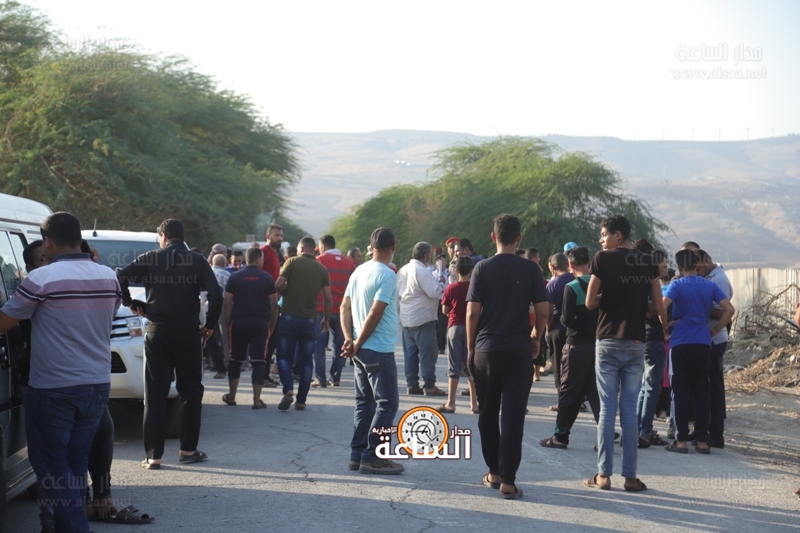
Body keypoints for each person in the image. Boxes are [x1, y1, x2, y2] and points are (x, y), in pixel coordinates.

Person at [0, 212, 121, 532]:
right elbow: (108, 316)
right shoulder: (108, 277)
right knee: (75, 461)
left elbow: (5, 322)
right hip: (96, 384)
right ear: (79, 238)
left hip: (54, 387)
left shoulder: (42, 278)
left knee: (52, 465)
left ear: (48, 242)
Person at [117, 218, 222, 468]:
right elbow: (216, 294)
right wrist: (209, 325)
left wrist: (131, 303)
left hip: (158, 333)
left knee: (155, 394)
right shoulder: (196, 260)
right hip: (188, 334)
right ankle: (187, 451)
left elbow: (120, 275)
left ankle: (154, 456)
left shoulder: (151, 258)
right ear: (182, 237)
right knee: (190, 392)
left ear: (163, 235)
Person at [467, 214, 549, 500]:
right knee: (513, 415)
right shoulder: (531, 269)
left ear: (493, 237)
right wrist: (536, 337)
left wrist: (471, 347)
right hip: (518, 349)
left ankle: (494, 471)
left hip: (486, 349)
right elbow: (543, 310)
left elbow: (472, 312)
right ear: (519, 238)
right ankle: (509, 481)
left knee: (488, 412)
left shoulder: (482, 268)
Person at [584, 214, 665, 492]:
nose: (601, 240)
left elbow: (590, 302)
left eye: (604, 234)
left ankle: (603, 475)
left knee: (607, 407)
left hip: (607, 340)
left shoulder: (602, 259)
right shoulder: (648, 261)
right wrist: (637, 305)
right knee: (629, 409)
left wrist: (611, 298)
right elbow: (658, 308)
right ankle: (630, 477)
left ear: (618, 235)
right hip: (636, 342)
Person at [341, 227, 403, 474]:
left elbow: (344, 307)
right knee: (388, 404)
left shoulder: (359, 270)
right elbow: (375, 313)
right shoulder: (387, 275)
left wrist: (350, 339)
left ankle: (357, 454)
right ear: (393, 247)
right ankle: (373, 456)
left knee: (364, 404)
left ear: (371, 247)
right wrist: (356, 342)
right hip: (378, 349)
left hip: (361, 350)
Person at [663, 249, 734, 454]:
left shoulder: (676, 285)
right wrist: (716, 329)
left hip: (680, 343)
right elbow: (730, 309)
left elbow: (662, 306)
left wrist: (665, 326)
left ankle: (681, 441)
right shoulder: (709, 285)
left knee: (679, 393)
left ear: (679, 267)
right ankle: (703, 440)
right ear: (696, 264)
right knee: (702, 392)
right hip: (703, 343)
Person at [539, 246, 601, 449]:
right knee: (596, 392)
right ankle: (605, 436)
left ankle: (560, 436)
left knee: (568, 392)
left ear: (571, 264)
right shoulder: (600, 284)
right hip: (598, 344)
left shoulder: (572, 287)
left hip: (576, 345)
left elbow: (566, 320)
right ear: (589, 262)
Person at [274, 237, 332, 410]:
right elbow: (328, 298)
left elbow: (278, 284)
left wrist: (287, 292)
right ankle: (301, 400)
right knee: (307, 361)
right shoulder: (322, 269)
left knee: (284, 357)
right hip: (309, 320)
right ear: (314, 250)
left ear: (300, 248)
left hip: (289, 317)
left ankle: (288, 389)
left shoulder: (291, 262)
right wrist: (326, 319)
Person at [223, 247, 279, 408]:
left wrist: (228, 322)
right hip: (260, 323)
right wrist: (272, 324)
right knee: (259, 360)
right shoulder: (267, 277)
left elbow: (227, 302)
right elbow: (274, 304)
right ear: (259, 260)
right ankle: (256, 400)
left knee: (235, 359)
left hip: (239, 322)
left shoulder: (235, 277)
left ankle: (232, 397)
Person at [396, 242, 447, 396]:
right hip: (423, 318)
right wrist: (441, 283)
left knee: (410, 354)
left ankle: (412, 385)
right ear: (425, 256)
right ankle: (429, 385)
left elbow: (397, 296)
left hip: (406, 318)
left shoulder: (403, 270)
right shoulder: (422, 271)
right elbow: (434, 292)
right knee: (427, 353)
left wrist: (400, 314)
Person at [696, 249, 733, 449]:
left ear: (707, 261)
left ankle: (716, 435)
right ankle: (704, 430)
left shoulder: (719, 280)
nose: (697, 272)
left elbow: (725, 311)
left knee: (713, 389)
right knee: (705, 387)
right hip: (706, 338)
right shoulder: (709, 277)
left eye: (698, 268)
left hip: (715, 340)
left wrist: (701, 307)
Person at [636, 249, 671, 447]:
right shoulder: (653, 284)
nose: (666, 269)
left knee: (645, 386)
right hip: (653, 338)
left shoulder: (639, 283)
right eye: (663, 266)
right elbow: (659, 309)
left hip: (643, 337)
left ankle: (640, 428)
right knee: (651, 387)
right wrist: (665, 325)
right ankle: (645, 431)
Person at [312, 234, 355, 387]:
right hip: (342, 310)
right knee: (340, 345)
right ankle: (335, 377)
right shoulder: (349, 263)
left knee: (319, 345)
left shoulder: (319, 261)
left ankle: (320, 378)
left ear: (322, 246)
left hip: (321, 309)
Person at [437, 256, 478, 414]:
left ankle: (451, 403)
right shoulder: (475, 288)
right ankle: (474, 404)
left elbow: (445, 310)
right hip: (471, 328)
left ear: (457, 271)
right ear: (471, 271)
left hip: (455, 327)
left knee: (453, 366)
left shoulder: (451, 288)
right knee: (470, 366)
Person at [546, 253, 575, 404]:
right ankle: (577, 399)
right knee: (573, 366)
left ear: (553, 266)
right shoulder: (576, 280)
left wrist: (548, 330)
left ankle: (562, 400)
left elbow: (549, 312)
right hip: (574, 331)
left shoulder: (552, 284)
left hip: (557, 329)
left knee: (558, 366)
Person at [207, 253, 231, 379]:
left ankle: (212, 362)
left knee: (211, 336)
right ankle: (227, 362)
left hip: (207, 308)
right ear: (223, 264)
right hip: (222, 307)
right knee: (224, 336)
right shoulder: (227, 275)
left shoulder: (206, 273)